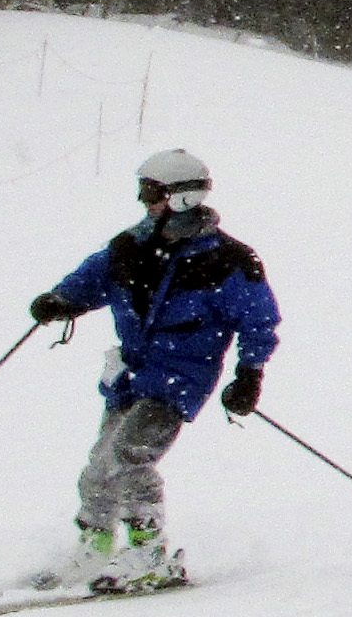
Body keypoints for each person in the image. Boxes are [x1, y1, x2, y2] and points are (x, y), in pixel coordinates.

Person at [26, 148, 281, 588]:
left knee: (129, 457)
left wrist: (249, 374)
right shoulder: (131, 246)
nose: (145, 201)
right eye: (143, 190)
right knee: (99, 464)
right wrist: (61, 300)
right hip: (130, 374)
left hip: (180, 377)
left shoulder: (227, 259)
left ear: (183, 196)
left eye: (152, 192)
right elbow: (93, 279)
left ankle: (149, 552)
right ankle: (97, 545)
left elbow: (259, 320)